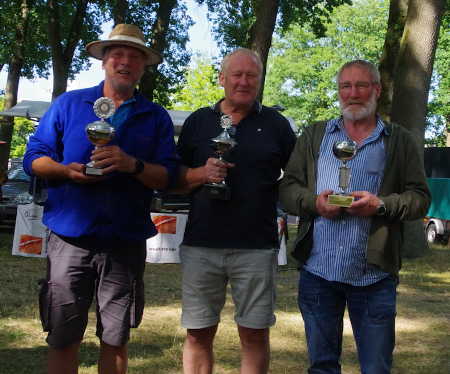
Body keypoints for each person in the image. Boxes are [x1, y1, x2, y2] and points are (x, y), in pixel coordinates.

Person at [23, 24, 178, 374]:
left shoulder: (155, 117)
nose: (125, 61)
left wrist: (132, 164)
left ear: (143, 66)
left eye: (134, 56)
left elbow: (169, 176)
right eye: (118, 54)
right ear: (104, 61)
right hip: (69, 239)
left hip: (125, 242)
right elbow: (33, 158)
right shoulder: (69, 104)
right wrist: (65, 171)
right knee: (63, 337)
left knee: (116, 338)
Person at [279, 60, 431, 374]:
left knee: (376, 368)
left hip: (373, 276)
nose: (353, 94)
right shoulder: (315, 135)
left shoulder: (398, 140)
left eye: (361, 85)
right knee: (321, 367)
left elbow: (420, 198)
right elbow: (288, 189)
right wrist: (314, 203)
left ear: (376, 90)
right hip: (318, 272)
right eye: (345, 86)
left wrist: (381, 205)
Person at [175, 48, 297, 374]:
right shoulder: (199, 122)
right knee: (199, 333)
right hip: (201, 244)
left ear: (259, 80)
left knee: (254, 334)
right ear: (222, 79)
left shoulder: (277, 125)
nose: (243, 81)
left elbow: (297, 180)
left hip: (256, 246)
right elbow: (173, 181)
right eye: (237, 75)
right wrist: (202, 174)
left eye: (251, 75)